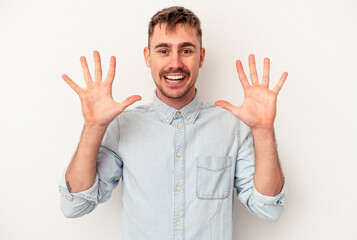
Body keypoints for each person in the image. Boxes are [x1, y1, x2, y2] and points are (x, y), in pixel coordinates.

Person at [58, 6, 287, 240]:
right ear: (148, 57)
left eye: (186, 50)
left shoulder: (233, 128)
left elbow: (269, 208)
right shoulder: (121, 128)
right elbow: (74, 204)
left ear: (201, 57)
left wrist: (264, 131)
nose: (175, 63)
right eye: (163, 51)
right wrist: (93, 127)